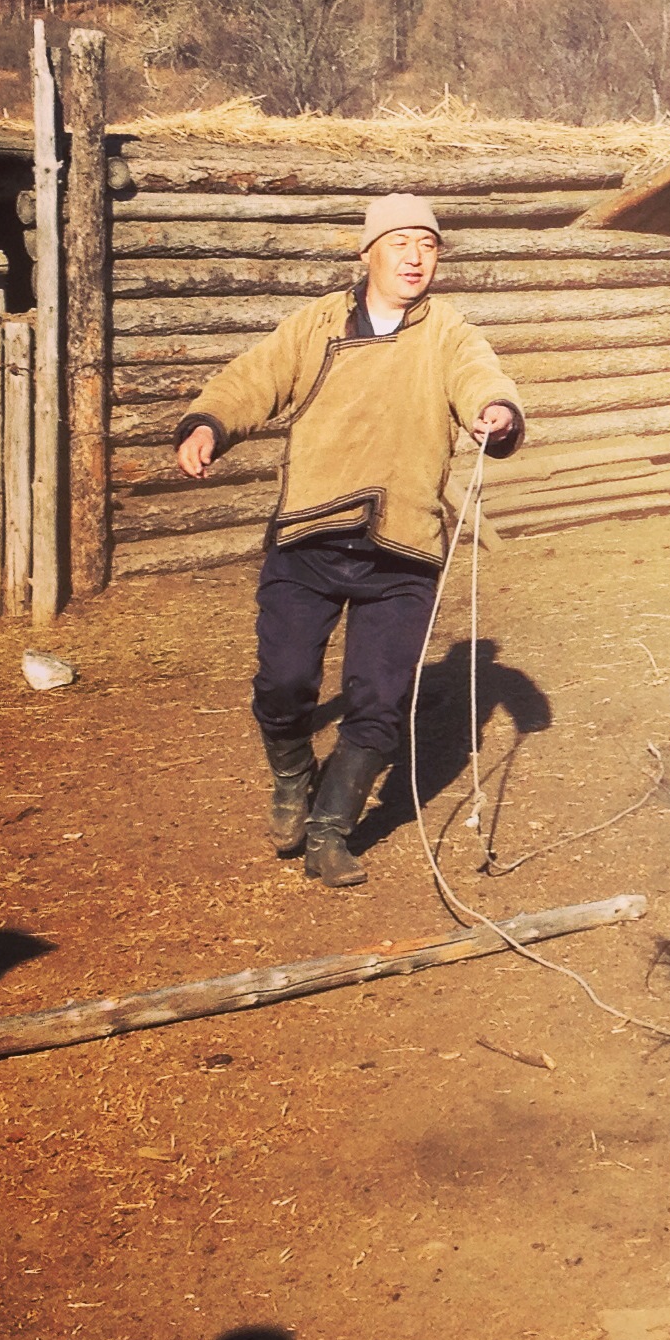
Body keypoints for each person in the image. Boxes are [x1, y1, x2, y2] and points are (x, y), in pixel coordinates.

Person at [173, 194, 524, 888]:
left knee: (378, 700)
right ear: (367, 253)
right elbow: (254, 379)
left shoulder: (447, 331)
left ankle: (330, 831)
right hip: (310, 535)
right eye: (400, 244)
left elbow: (479, 375)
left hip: (402, 549)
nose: (415, 258)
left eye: (427, 245)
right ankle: (291, 776)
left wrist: (496, 410)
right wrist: (209, 423)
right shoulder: (318, 324)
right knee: (283, 682)